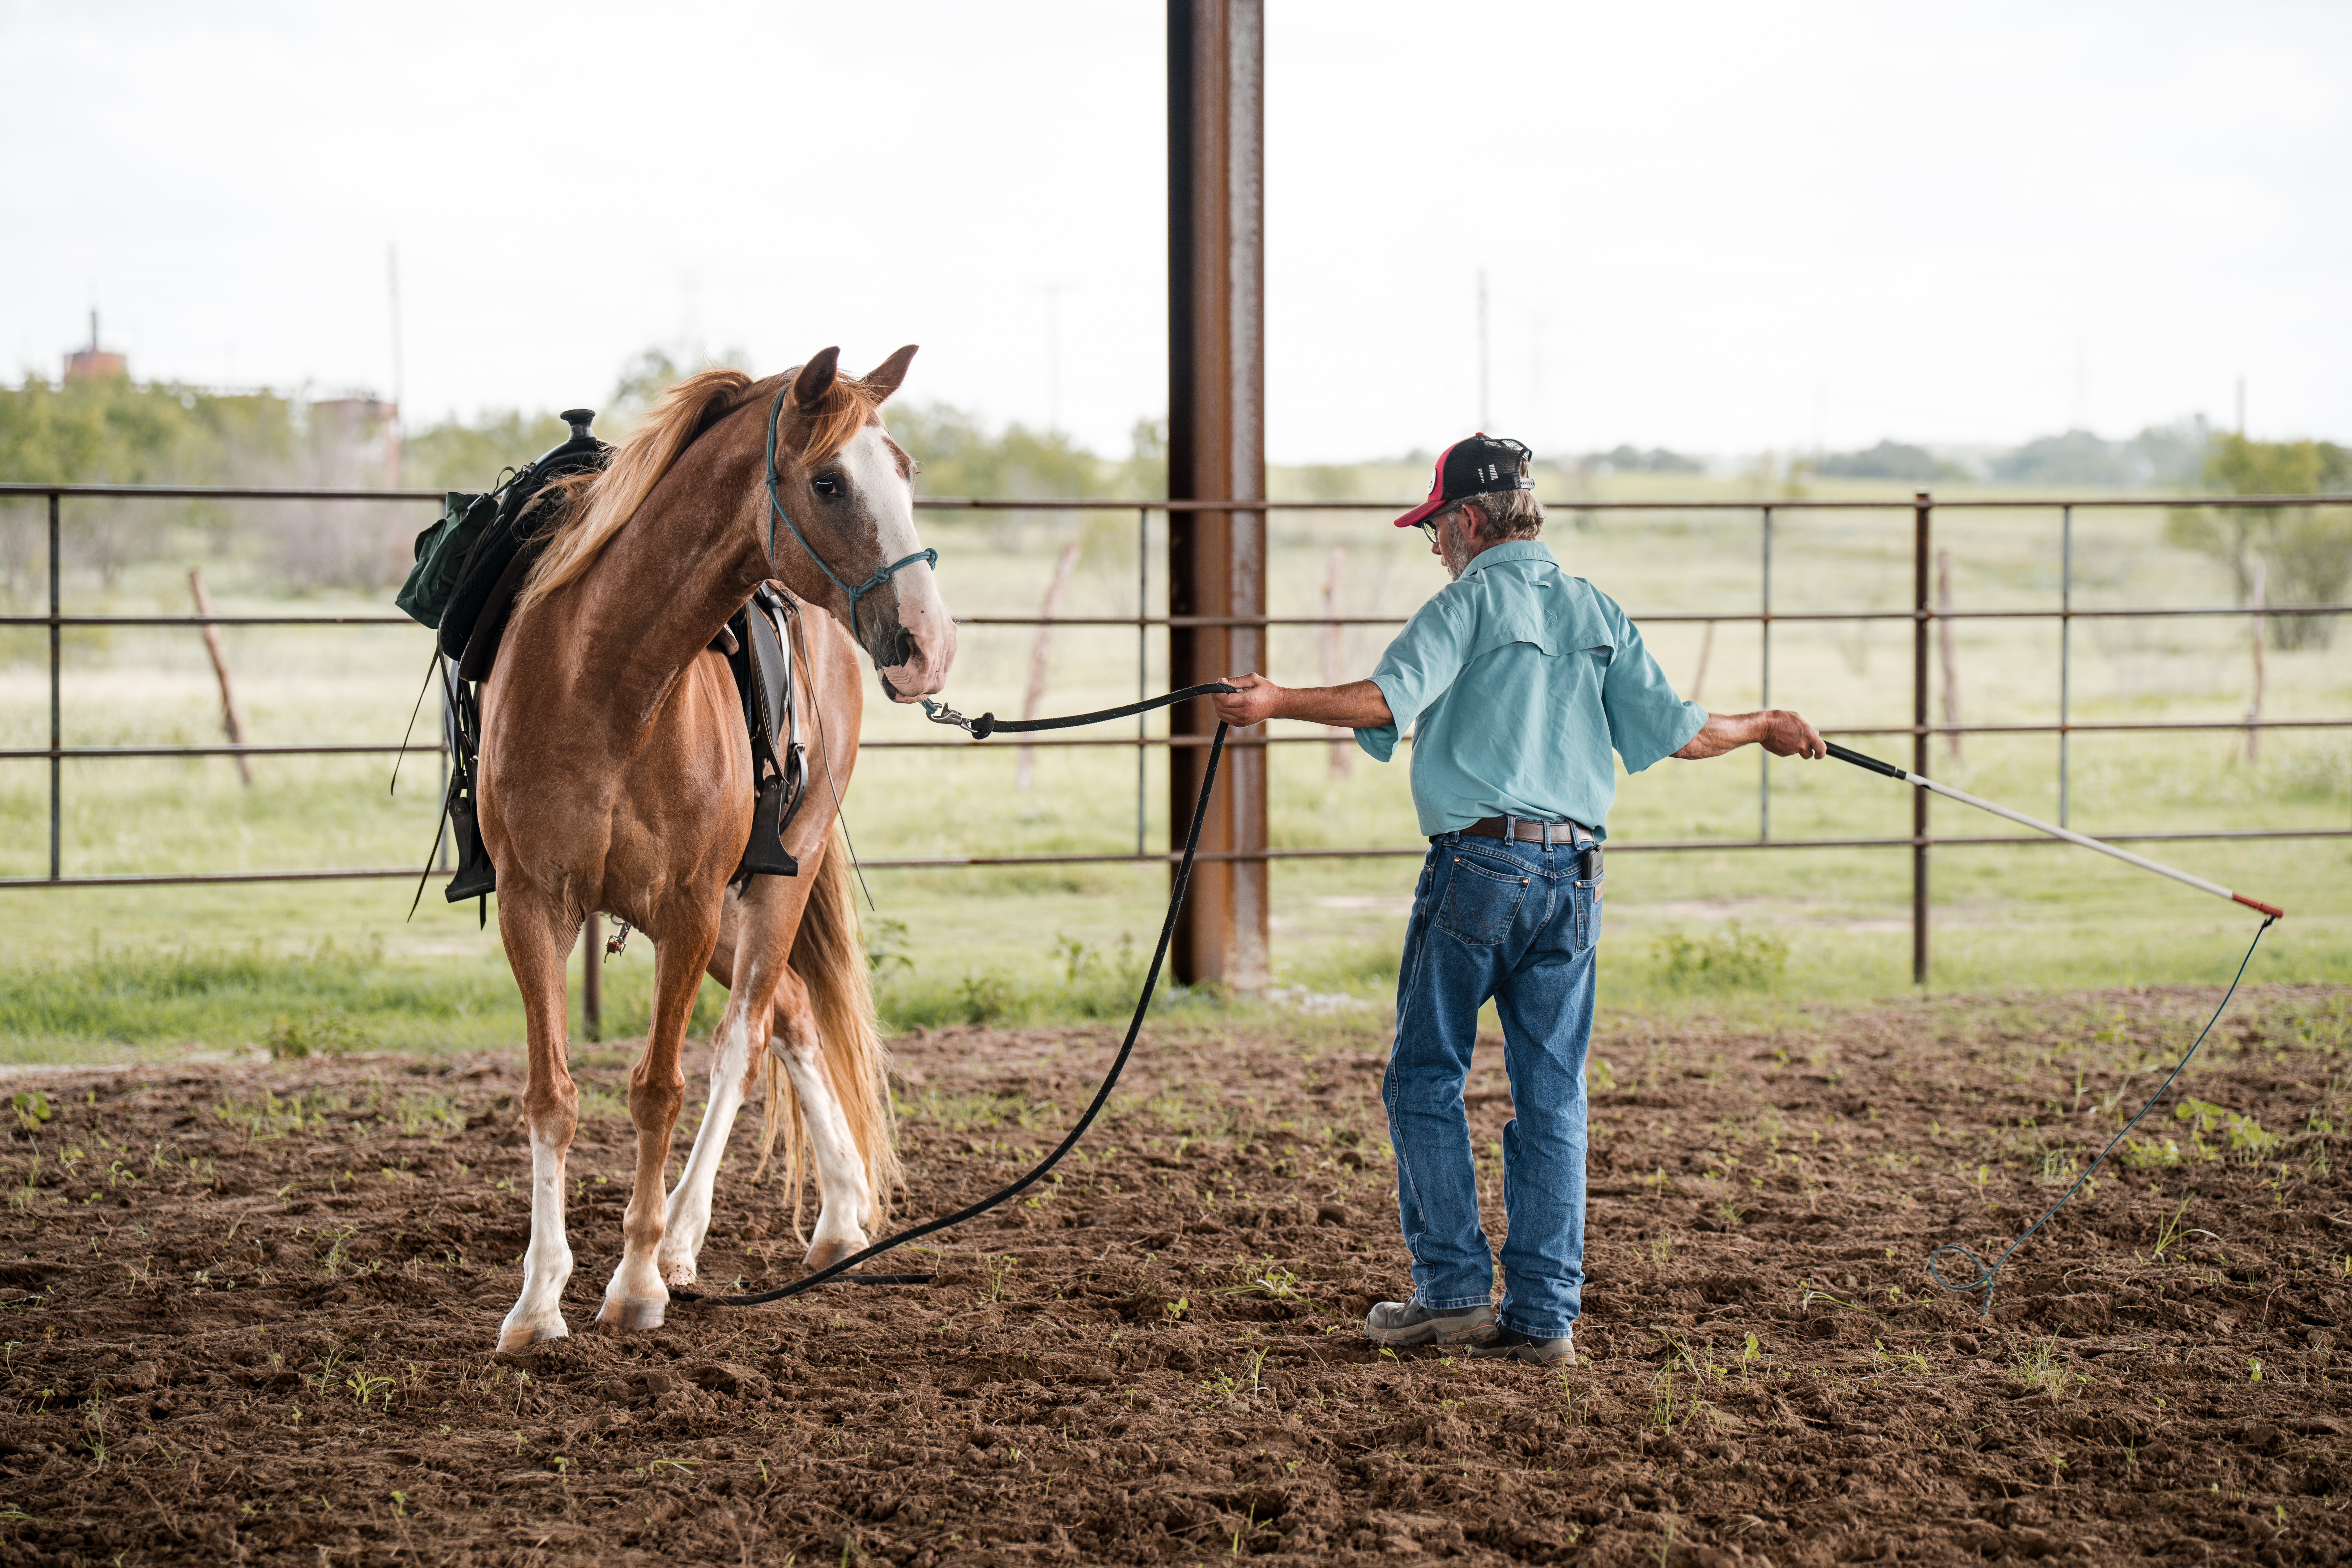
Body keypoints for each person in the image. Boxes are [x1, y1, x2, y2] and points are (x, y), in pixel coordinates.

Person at [1211, 434, 1824, 1364]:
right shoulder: (1597, 608)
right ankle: (1544, 1319)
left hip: (1479, 870)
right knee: (1553, 1095)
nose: (1433, 546)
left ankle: (1452, 1292)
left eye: (1433, 528)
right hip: (1575, 876)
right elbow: (1683, 733)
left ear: (1466, 521)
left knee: (1424, 1077)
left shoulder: (1466, 602)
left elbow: (1388, 699)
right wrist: (1768, 725)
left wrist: (1275, 700)